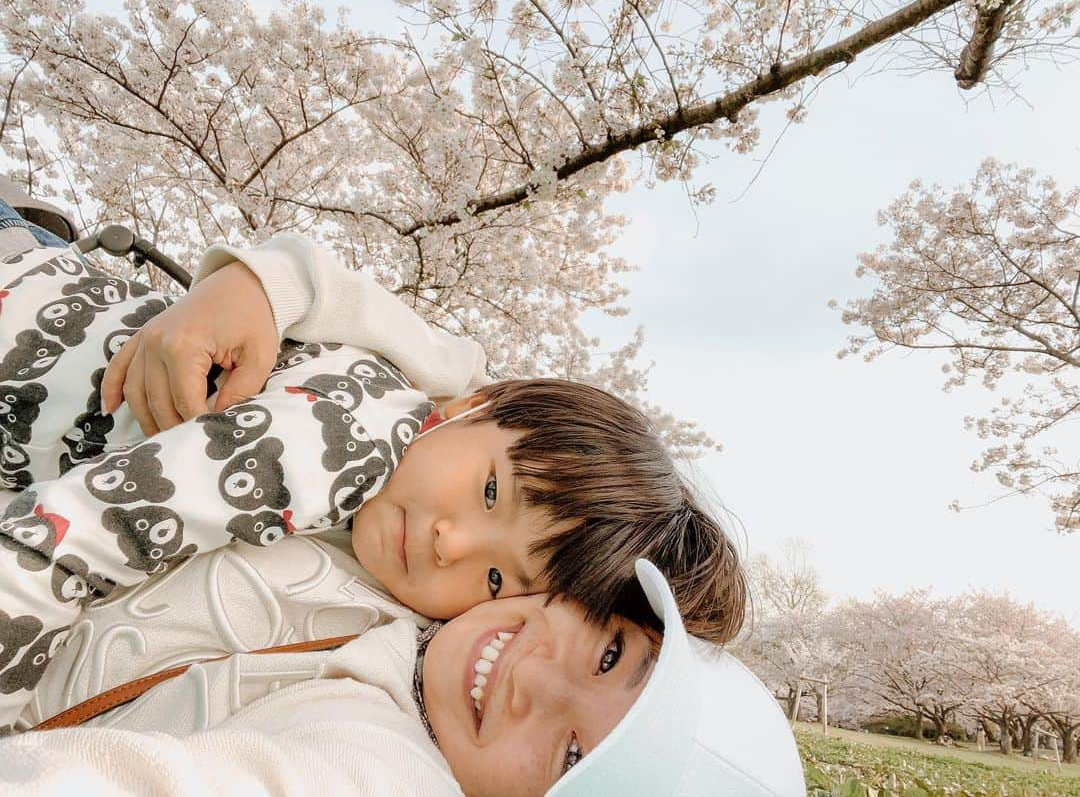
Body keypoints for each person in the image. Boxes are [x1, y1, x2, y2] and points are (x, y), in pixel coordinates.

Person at [0, 227, 744, 729]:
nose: (452, 544)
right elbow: (73, 540)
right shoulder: (346, 441)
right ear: (471, 404)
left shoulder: (415, 476)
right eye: (491, 493)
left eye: (495, 581)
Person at [0, 545, 806, 796]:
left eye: (571, 758)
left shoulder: (384, 761)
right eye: (609, 656)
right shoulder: (462, 560)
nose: (535, 681)